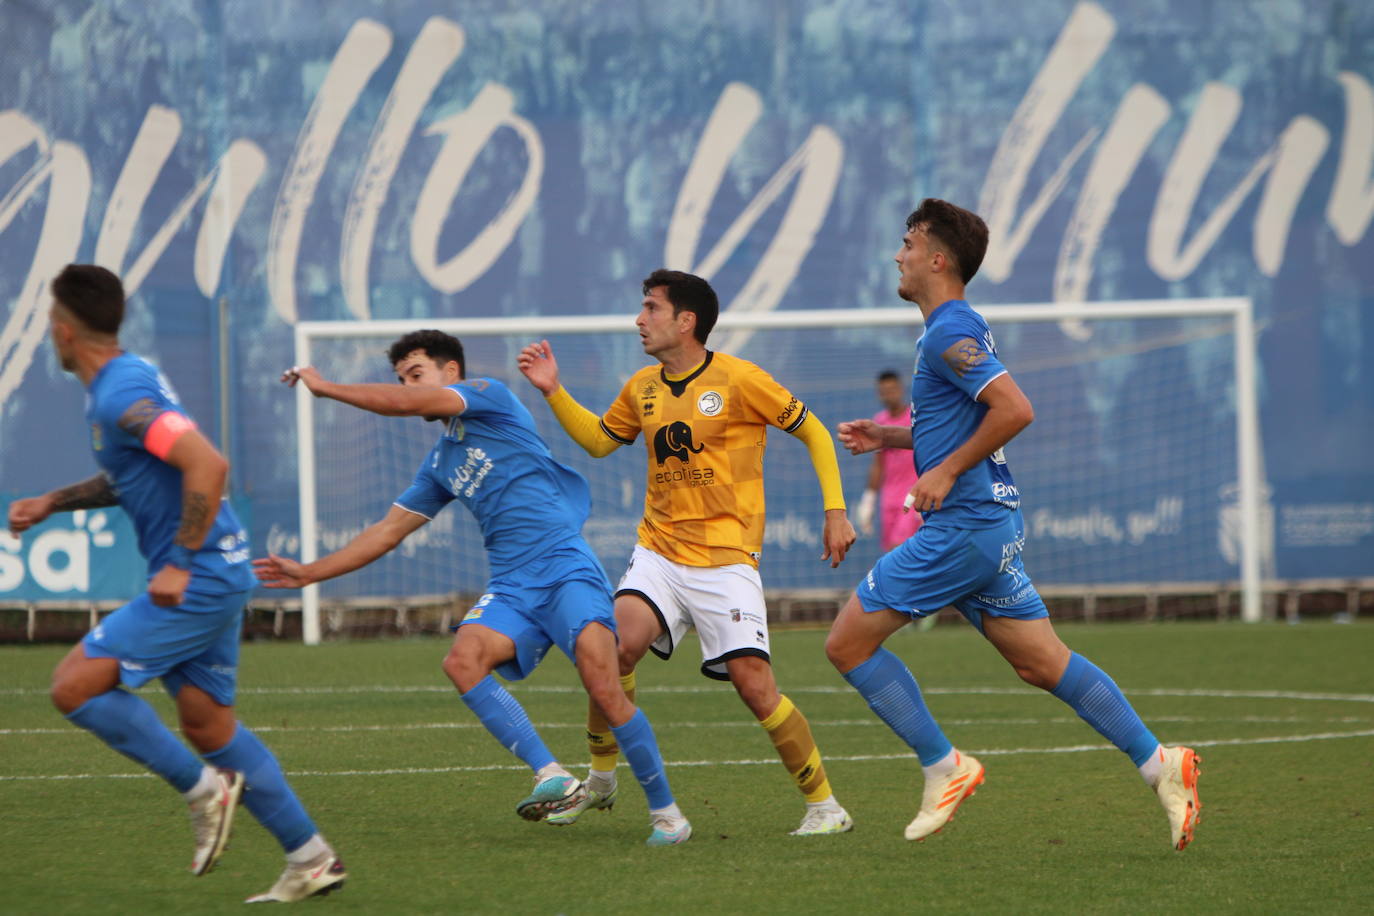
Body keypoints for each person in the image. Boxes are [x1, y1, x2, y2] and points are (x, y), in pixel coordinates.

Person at [824, 199, 1202, 849]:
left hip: (963, 528)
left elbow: (1014, 409)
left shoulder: (947, 331)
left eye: (908, 243)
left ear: (937, 259)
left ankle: (944, 766)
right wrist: (889, 438)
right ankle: (1158, 763)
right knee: (1043, 663)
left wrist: (944, 474)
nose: (897, 255)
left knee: (846, 645)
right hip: (989, 526)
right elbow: (963, 420)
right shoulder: (955, 327)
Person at [253, 329, 690, 846]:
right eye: (402, 378)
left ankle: (667, 815)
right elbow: (387, 532)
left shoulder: (489, 396)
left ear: (451, 373)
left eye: (416, 374)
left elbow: (406, 404)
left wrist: (326, 387)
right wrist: (310, 573)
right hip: (512, 587)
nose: (408, 386)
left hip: (565, 568)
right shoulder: (440, 463)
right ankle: (551, 774)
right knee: (462, 661)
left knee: (604, 686)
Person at [8, 264, 346, 903]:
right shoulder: (123, 383)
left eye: (50, 323)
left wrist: (180, 561)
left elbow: (206, 464)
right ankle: (310, 858)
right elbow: (135, 475)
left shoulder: (119, 393)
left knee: (73, 687)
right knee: (209, 726)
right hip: (218, 570)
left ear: (63, 330)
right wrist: (52, 501)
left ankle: (204, 790)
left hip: (201, 575)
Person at [517, 269, 857, 837]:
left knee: (755, 686)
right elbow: (601, 441)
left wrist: (836, 510)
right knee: (612, 649)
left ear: (685, 321)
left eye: (651, 308)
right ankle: (600, 780)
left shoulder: (740, 378)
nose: (639, 319)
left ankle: (825, 806)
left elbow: (815, 432)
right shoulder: (642, 386)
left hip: (726, 559)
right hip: (658, 551)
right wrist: (554, 390)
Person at [856, 370, 923, 553]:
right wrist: (869, 499)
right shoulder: (879, 422)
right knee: (891, 552)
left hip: (911, 496)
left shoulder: (915, 417)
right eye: (884, 391)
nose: (889, 395)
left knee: (902, 550)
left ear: (901, 389)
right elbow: (878, 464)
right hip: (889, 498)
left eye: (892, 390)